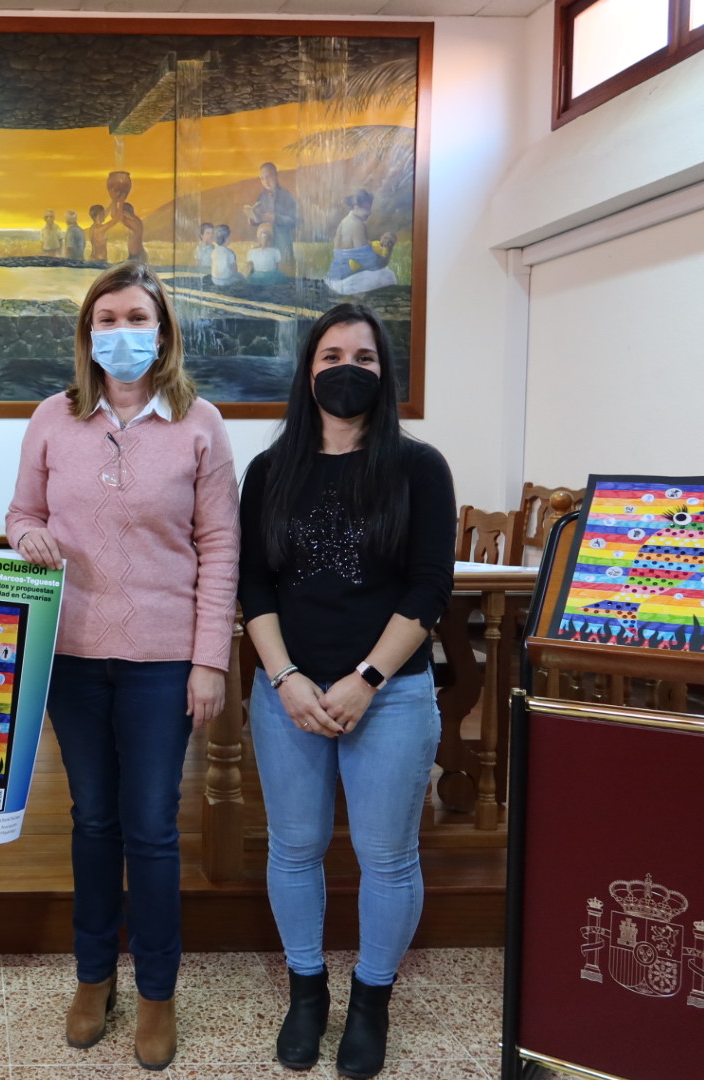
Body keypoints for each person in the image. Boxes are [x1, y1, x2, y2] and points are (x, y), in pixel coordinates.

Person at [5, 261, 239, 1071]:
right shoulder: (53, 416)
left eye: (136, 317)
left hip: (162, 662)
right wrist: (26, 535)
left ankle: (157, 992)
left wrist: (209, 660)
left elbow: (220, 545)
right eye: (106, 319)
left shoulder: (201, 423)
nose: (121, 332)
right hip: (72, 656)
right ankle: (93, 975)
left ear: (163, 331)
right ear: (87, 334)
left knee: (152, 829)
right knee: (94, 822)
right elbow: (21, 512)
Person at [237, 302, 454, 1080]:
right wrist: (285, 678)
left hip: (389, 695)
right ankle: (306, 994)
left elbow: (430, 588)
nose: (346, 370)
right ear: (308, 371)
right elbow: (253, 585)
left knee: (386, 856)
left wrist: (365, 680)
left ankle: (370, 1001)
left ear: (384, 373)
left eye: (364, 357)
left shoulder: (418, 467)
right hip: (286, 694)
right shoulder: (270, 471)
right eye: (331, 356)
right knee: (294, 848)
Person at [326, 192, 398, 295]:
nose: (369, 213)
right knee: (389, 275)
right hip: (344, 283)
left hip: (333, 279)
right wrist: (389, 250)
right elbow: (373, 264)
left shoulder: (345, 221)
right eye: (367, 209)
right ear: (356, 207)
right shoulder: (356, 225)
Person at [243, 161, 298, 271]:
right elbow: (260, 220)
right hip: (266, 243)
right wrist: (254, 220)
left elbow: (295, 221)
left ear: (276, 175)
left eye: (268, 177)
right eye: (262, 178)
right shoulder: (261, 198)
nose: (265, 181)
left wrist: (275, 218)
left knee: (284, 272)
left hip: (283, 243)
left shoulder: (287, 196)